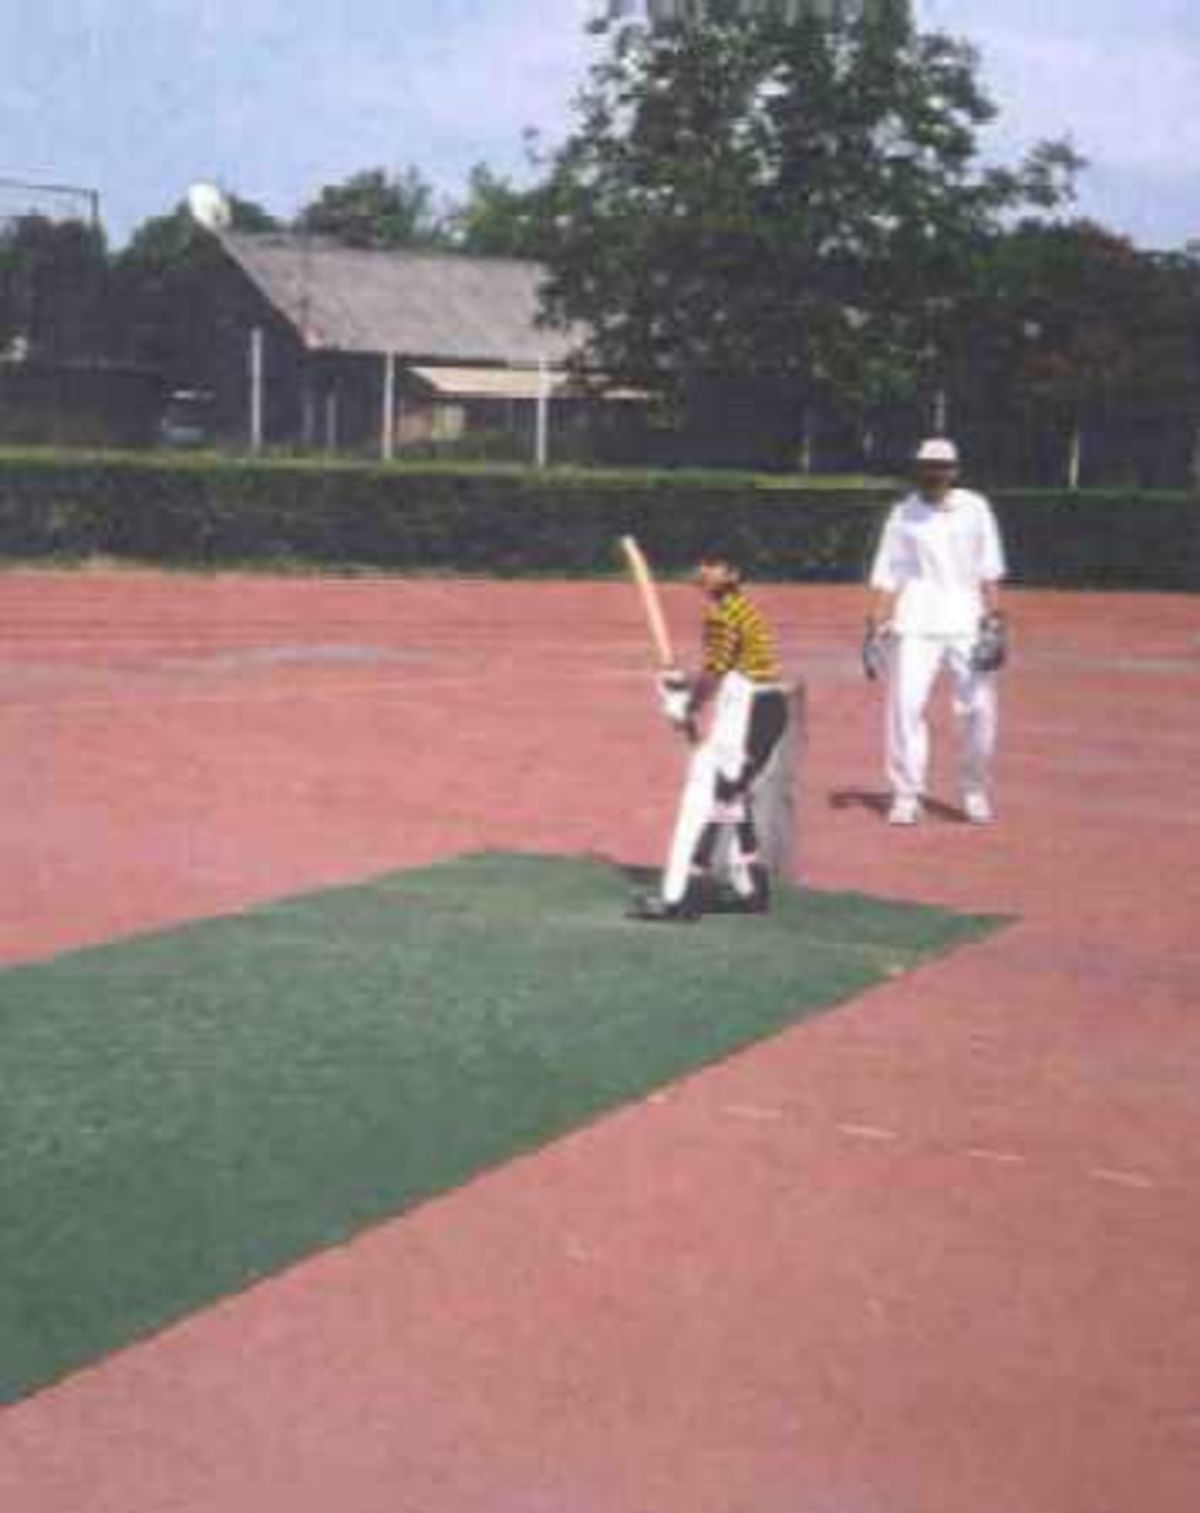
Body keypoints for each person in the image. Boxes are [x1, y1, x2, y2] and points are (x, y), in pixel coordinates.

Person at [630, 549, 795, 922]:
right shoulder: (740, 608)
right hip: (762, 709)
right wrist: (685, 691)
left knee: (705, 795)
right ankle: (753, 888)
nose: (703, 571)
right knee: (730, 797)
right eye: (701, 564)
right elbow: (721, 671)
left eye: (713, 565)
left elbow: (716, 673)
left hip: (749, 710)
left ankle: (680, 898)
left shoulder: (722, 614)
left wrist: (685, 703)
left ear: (733, 572)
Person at [863, 437, 1008, 826]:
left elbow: (989, 568)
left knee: (979, 708)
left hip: (967, 619)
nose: (934, 473)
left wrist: (995, 621)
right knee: (904, 707)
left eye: (942, 467)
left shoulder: (976, 508)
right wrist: (875, 622)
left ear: (955, 471)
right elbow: (889, 571)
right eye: (927, 466)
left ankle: (974, 788)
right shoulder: (902, 514)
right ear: (918, 469)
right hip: (915, 620)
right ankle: (907, 793)